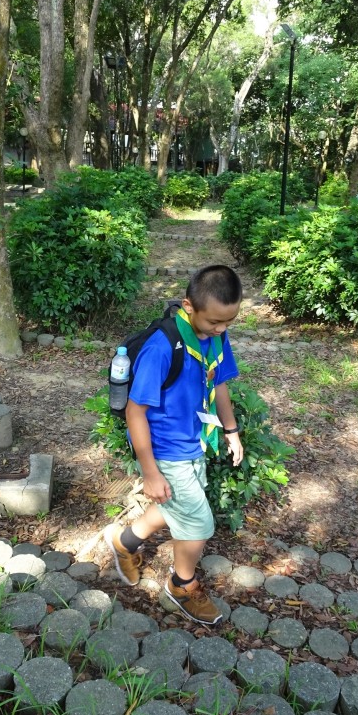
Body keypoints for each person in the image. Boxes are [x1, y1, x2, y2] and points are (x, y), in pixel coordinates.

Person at [104, 264, 244, 624]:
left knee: (173, 507)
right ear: (188, 305)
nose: (221, 329)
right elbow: (136, 412)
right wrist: (150, 472)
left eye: (229, 321)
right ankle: (182, 585)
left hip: (195, 441)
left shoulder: (215, 334)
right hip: (166, 450)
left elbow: (220, 382)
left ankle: (126, 542)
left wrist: (231, 430)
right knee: (197, 524)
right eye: (215, 322)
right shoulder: (161, 347)